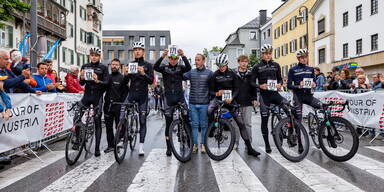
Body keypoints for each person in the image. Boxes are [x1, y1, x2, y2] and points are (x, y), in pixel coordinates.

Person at [209, 53, 260, 157]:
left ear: (227, 64)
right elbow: (210, 91)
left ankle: (249, 148)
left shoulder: (232, 74)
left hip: (230, 100)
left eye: (223, 66)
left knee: (241, 123)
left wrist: (232, 97)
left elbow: (236, 89)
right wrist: (216, 93)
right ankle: (213, 127)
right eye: (219, 66)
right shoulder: (215, 74)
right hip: (218, 99)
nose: (221, 68)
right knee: (209, 110)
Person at [154, 47, 191, 156]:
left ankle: (189, 142)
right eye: (171, 58)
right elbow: (155, 67)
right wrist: (162, 56)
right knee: (168, 124)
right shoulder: (164, 68)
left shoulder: (180, 67)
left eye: (175, 58)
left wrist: (183, 55)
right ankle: (169, 147)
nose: (173, 60)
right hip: (168, 98)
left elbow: (188, 68)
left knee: (186, 120)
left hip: (180, 97)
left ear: (177, 58)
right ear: (169, 58)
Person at [250, 44, 287, 153]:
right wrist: (259, 86)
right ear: (262, 54)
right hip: (264, 96)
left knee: (289, 108)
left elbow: (280, 79)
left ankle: (289, 131)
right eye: (266, 54)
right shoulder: (257, 67)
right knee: (265, 120)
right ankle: (267, 144)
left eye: (270, 53)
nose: (268, 55)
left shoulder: (276, 65)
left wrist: (280, 84)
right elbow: (251, 82)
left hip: (275, 94)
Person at [287, 49, 324, 152]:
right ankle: (299, 143)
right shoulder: (293, 70)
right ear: (298, 58)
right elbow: (289, 85)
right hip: (298, 97)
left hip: (308, 96)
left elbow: (315, 83)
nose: (304, 59)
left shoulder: (311, 69)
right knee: (298, 120)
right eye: (302, 57)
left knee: (323, 107)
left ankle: (322, 130)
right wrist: (299, 85)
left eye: (305, 57)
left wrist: (314, 84)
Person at [123, 42, 154, 156]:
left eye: (139, 49)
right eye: (135, 49)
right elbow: (124, 83)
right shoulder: (130, 64)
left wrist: (143, 73)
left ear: (143, 52)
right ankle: (123, 137)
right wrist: (125, 75)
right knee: (122, 114)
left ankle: (141, 146)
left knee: (142, 121)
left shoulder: (148, 65)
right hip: (131, 94)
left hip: (142, 96)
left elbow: (151, 81)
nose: (137, 51)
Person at [79, 47, 109, 157]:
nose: (94, 57)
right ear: (89, 56)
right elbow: (81, 83)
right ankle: (78, 140)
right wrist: (81, 77)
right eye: (92, 55)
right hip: (87, 96)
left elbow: (106, 83)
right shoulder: (85, 66)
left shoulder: (104, 68)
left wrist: (98, 81)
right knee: (76, 117)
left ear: (99, 56)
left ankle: (96, 148)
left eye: (96, 55)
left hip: (97, 96)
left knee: (97, 121)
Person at [184, 53, 212, 153]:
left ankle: (203, 144)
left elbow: (214, 85)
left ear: (203, 61)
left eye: (198, 59)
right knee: (194, 125)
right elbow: (181, 75)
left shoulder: (209, 73)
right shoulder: (191, 72)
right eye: (195, 60)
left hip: (204, 103)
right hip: (193, 103)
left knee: (204, 125)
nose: (196, 61)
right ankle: (195, 145)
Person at [103, 58, 129, 153]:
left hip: (118, 105)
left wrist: (123, 105)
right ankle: (110, 145)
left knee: (119, 127)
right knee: (108, 127)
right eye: (113, 64)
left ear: (119, 66)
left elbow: (126, 92)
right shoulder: (107, 77)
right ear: (110, 65)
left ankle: (118, 142)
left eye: (116, 65)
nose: (114, 66)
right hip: (108, 105)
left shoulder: (122, 78)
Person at [233, 55, 257, 149]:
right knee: (236, 125)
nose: (244, 63)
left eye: (246, 62)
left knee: (247, 124)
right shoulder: (233, 73)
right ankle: (235, 143)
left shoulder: (250, 74)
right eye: (242, 61)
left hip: (247, 102)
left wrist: (254, 98)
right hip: (236, 103)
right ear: (239, 62)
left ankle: (249, 144)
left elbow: (253, 87)